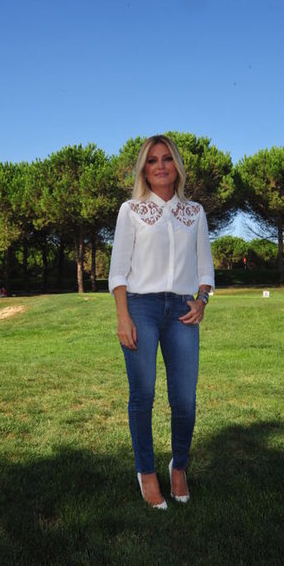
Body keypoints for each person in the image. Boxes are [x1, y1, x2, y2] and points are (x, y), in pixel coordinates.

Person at [108, 134, 214, 509]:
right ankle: (146, 472)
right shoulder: (131, 211)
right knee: (143, 395)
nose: (160, 166)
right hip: (141, 307)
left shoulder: (195, 212)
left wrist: (202, 300)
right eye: (152, 160)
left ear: (177, 166)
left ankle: (179, 466)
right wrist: (123, 316)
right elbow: (118, 272)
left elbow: (205, 269)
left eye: (167, 158)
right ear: (144, 169)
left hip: (183, 310)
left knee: (184, 398)